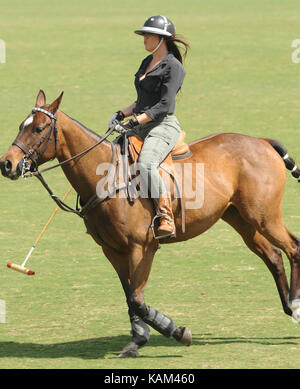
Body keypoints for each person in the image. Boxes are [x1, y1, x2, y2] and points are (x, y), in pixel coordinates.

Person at [108, 15, 189, 238]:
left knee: (146, 164)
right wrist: (121, 113)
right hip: (143, 123)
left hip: (162, 125)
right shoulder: (147, 62)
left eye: (149, 35)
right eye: (144, 34)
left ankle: (165, 217)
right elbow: (141, 101)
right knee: (111, 155)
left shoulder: (173, 66)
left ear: (162, 39)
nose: (145, 38)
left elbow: (164, 105)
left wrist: (136, 120)